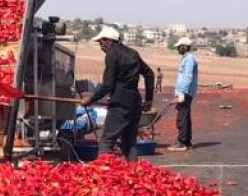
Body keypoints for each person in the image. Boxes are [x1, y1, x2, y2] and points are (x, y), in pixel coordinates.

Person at [82, 26, 154, 162]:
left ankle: (103, 174)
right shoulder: (133, 53)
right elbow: (149, 74)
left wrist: (91, 99)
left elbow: (108, 84)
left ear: (109, 41)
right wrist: (148, 100)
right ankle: (133, 175)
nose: (100, 46)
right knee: (129, 142)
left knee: (106, 141)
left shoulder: (112, 55)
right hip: (134, 103)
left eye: (101, 42)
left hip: (120, 104)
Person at [169, 37, 199, 151]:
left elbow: (187, 77)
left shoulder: (189, 59)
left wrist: (181, 94)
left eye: (179, 46)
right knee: (185, 116)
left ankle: (182, 142)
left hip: (185, 92)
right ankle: (186, 141)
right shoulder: (185, 59)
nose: (177, 48)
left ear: (185, 47)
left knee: (182, 117)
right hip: (183, 92)